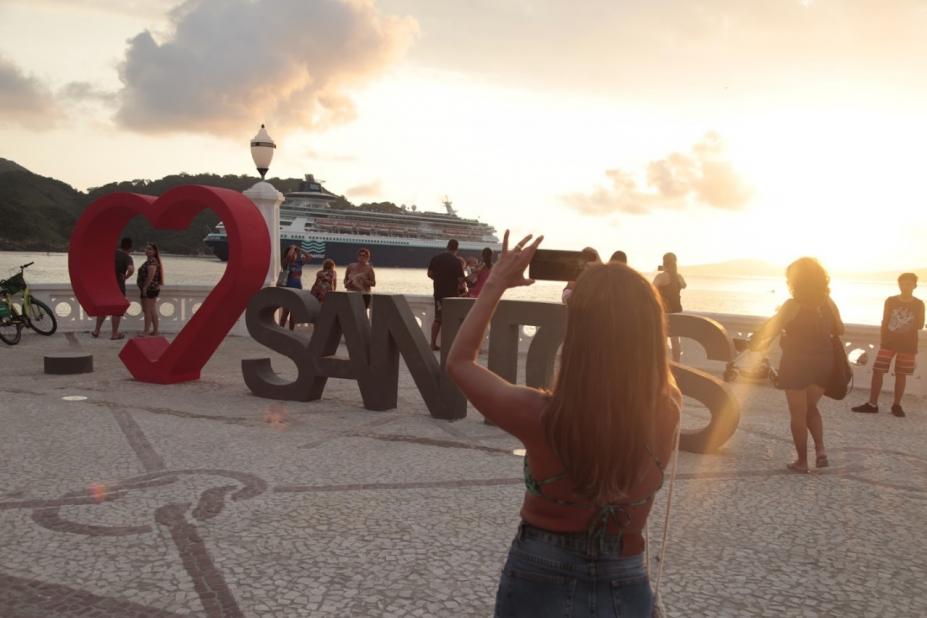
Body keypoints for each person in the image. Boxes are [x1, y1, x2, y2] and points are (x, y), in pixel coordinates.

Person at [447, 231, 681, 617]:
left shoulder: (540, 414)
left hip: (539, 575)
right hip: (625, 576)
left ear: (578, 333)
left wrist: (497, 284)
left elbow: (460, 362)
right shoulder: (668, 408)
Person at [751, 257, 844, 473]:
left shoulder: (792, 305)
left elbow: (772, 328)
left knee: (798, 413)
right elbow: (840, 329)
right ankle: (821, 451)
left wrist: (756, 341)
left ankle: (802, 461)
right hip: (823, 361)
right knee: (811, 407)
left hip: (796, 362)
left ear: (796, 281)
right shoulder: (828, 302)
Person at [852, 273, 924, 417]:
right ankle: (872, 404)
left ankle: (896, 405)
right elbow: (884, 321)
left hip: (908, 344)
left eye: (909, 283)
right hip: (888, 343)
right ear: (899, 285)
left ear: (914, 285)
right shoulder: (890, 301)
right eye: (903, 283)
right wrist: (884, 339)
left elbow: (920, 324)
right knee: (878, 370)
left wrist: (904, 323)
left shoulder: (919, 304)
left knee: (901, 374)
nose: (905, 286)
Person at [92, 237, 134, 340]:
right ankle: (114, 334)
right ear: (130, 247)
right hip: (118, 286)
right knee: (116, 310)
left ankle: (96, 331)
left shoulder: (111, 253)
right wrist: (126, 277)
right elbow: (131, 269)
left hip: (106, 285)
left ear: (121, 244)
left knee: (104, 308)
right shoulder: (127, 257)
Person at [428, 239, 465, 350]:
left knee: (438, 319)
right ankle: (449, 345)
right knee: (451, 320)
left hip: (438, 293)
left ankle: (433, 343)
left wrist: (439, 279)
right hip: (452, 295)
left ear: (447, 246)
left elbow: (429, 274)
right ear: (457, 249)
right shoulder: (456, 261)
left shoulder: (436, 258)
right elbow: (461, 280)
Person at [653, 252, 687, 361]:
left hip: (665, 312)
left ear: (664, 262)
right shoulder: (678, 277)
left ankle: (663, 364)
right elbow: (684, 285)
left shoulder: (661, 276)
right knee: (675, 340)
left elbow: (651, 288)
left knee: (661, 339)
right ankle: (677, 364)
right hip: (677, 311)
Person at [278, 244, 312, 330]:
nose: (294, 255)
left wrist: (299, 249)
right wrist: (292, 248)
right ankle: (281, 330)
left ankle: (291, 332)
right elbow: (289, 256)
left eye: (296, 254)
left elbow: (309, 257)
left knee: (293, 314)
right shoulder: (286, 263)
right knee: (285, 312)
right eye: (293, 253)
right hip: (288, 289)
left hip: (298, 289)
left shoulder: (299, 263)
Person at [136, 242, 163, 337]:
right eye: (146, 248)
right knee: (151, 310)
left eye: (150, 249)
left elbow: (150, 275)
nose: (147, 250)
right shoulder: (150, 261)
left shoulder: (152, 262)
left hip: (149, 289)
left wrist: (145, 287)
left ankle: (146, 332)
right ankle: (155, 331)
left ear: (155, 251)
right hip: (150, 288)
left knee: (147, 310)